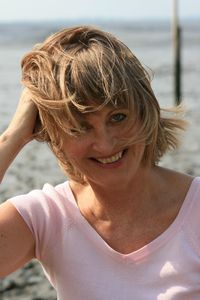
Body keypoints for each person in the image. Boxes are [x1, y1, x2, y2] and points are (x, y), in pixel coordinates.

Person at [0, 25, 199, 300]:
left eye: (117, 117)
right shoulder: (46, 217)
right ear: (54, 136)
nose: (105, 144)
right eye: (79, 128)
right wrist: (12, 138)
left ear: (145, 112)